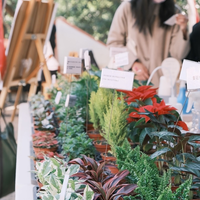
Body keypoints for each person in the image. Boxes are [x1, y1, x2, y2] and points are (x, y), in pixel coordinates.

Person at [107, 0, 190, 87]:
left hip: (161, 83)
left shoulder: (174, 12)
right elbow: (114, 44)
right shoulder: (127, 7)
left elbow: (178, 54)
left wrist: (183, 29)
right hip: (133, 80)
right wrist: (133, 63)